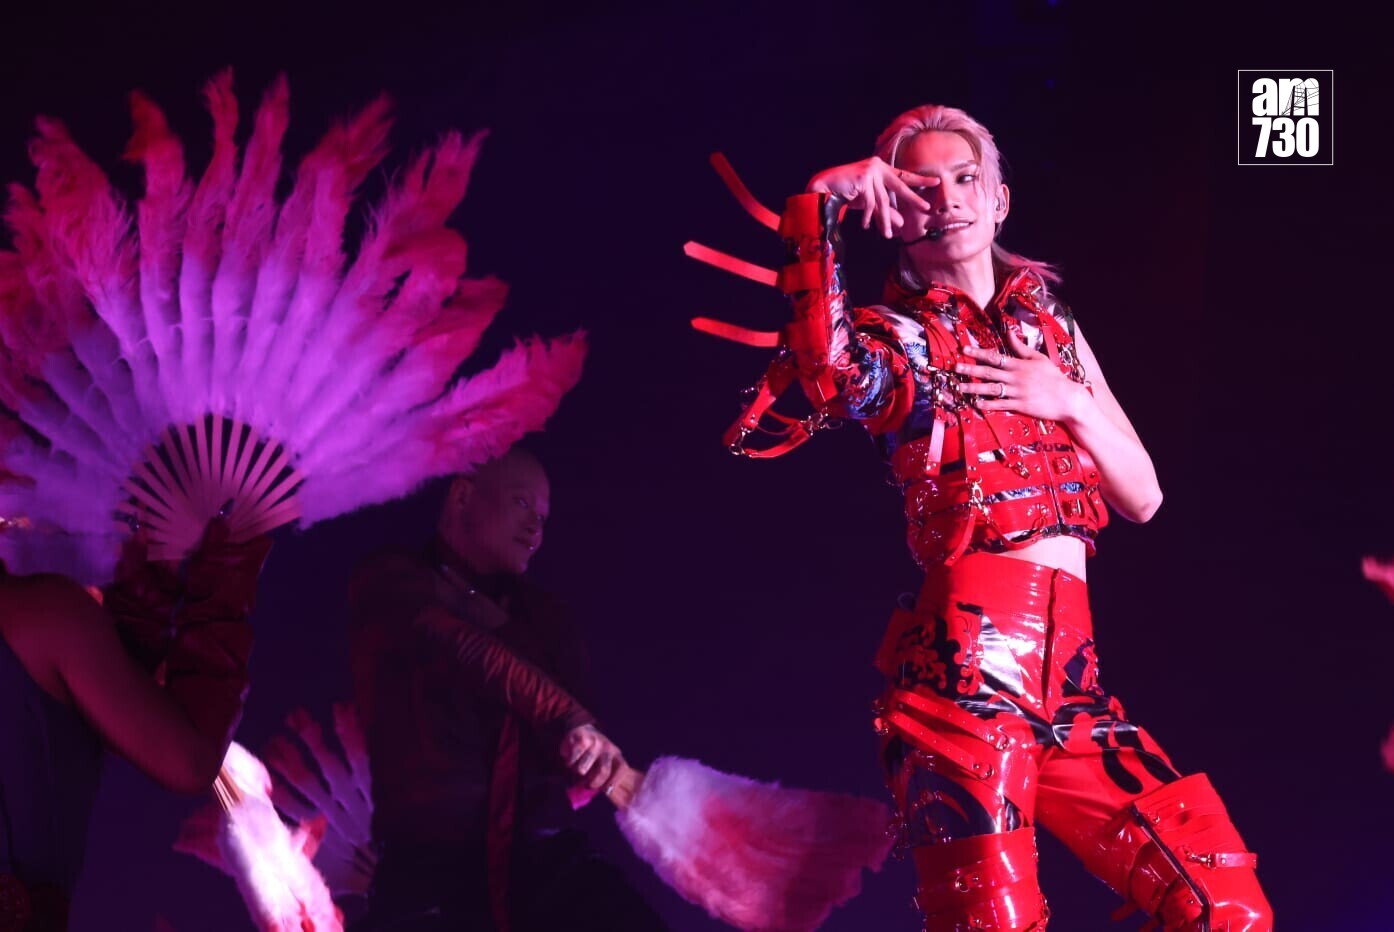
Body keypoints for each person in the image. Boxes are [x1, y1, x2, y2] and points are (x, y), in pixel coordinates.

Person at [700, 105, 1273, 929]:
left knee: (1226, 906)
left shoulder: (1053, 329)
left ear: (1000, 199)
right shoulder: (894, 338)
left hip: (1074, 688)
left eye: (966, 179)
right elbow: (826, 372)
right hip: (962, 680)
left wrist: (1066, 399)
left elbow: (1143, 495)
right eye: (920, 186)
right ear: (893, 211)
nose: (948, 199)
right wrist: (822, 201)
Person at [348, 448, 664, 931]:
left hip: (543, 859)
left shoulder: (548, 618)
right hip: (428, 867)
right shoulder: (391, 580)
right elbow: (455, 644)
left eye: (543, 516)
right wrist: (566, 717)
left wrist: (587, 754)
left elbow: (580, 763)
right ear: (462, 496)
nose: (535, 526)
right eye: (521, 502)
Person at [0, 521, 270, 929]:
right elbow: (189, 760)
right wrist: (228, 562)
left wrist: (146, 593)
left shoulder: (41, 617)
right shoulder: (40, 614)